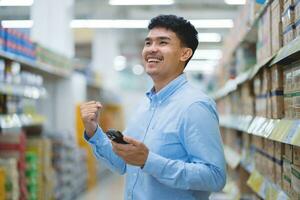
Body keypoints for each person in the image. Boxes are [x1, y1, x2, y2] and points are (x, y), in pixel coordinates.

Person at [80, 14, 226, 200]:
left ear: (184, 53)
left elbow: (215, 177)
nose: (152, 49)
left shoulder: (195, 106)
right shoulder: (145, 105)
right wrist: (93, 131)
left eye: (163, 43)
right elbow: (121, 163)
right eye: (148, 43)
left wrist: (149, 161)